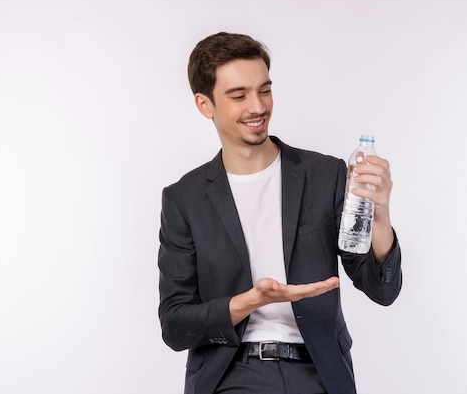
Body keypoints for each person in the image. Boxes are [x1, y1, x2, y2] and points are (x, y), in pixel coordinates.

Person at [158, 32, 402, 394]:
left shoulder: (324, 175)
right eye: (239, 95)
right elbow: (175, 325)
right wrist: (250, 302)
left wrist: (379, 214)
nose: (257, 107)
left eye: (265, 90)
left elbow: (382, 289)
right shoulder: (185, 199)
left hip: (317, 372)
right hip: (231, 374)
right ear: (204, 104)